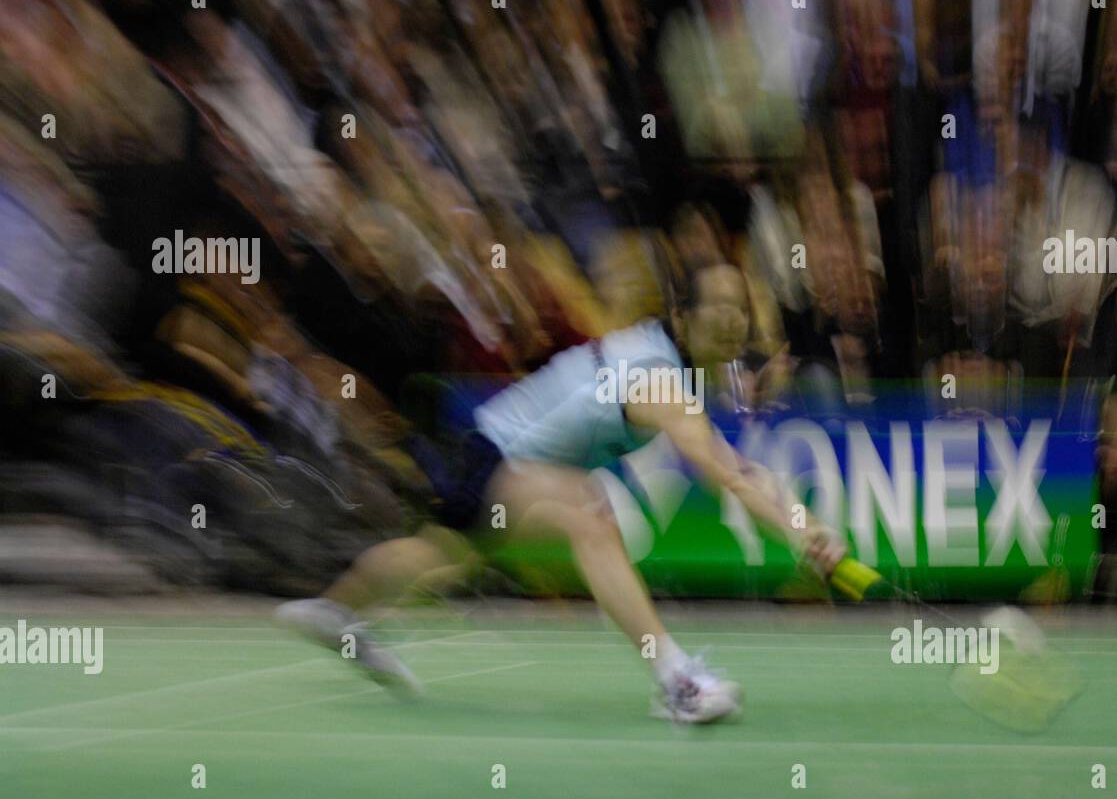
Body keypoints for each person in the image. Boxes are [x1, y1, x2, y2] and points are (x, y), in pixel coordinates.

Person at [277, 262, 847, 723]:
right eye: (718, 306)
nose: (732, 321)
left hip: (487, 446)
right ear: (682, 314)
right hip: (498, 453)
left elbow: (740, 466)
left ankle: (333, 610)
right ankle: (676, 680)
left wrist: (801, 521)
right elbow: (727, 471)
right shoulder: (658, 377)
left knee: (440, 556)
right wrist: (798, 531)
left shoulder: (666, 362)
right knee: (588, 512)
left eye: (740, 309)